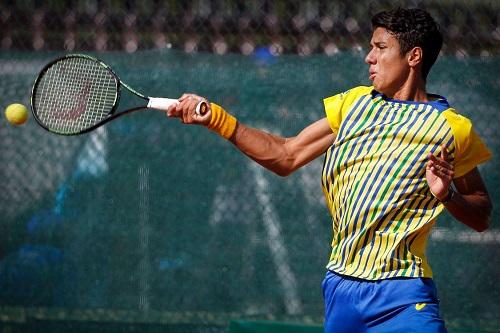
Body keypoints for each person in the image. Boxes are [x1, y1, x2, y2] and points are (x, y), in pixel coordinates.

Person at [166, 7, 492, 333]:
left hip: (404, 295)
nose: (368, 57)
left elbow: (480, 213)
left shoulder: (452, 129)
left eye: (380, 48)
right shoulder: (353, 105)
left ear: (413, 56)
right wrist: (217, 119)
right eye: (370, 47)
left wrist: (447, 194)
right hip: (340, 291)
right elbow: (285, 155)